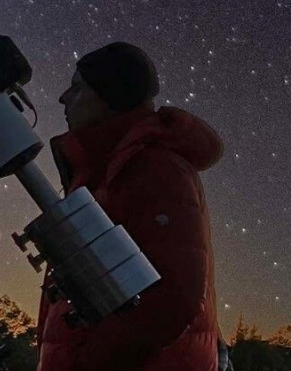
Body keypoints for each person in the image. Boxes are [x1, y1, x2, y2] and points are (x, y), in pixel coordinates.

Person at [37, 42, 225, 371]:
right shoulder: (106, 168)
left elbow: (170, 301)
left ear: (111, 97)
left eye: (78, 88)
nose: (64, 98)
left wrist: (88, 359)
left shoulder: (154, 168)